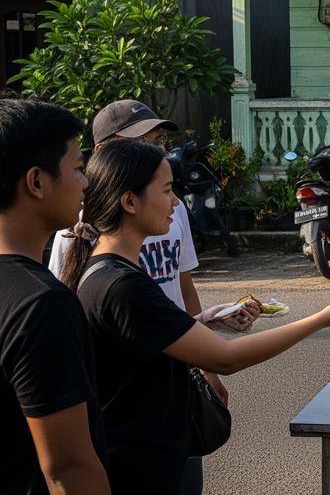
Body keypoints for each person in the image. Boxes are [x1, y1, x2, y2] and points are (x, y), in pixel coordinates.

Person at [58, 139, 330, 494]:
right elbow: (225, 358)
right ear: (129, 201)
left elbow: (140, 342)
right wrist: (323, 318)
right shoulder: (122, 285)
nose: (176, 202)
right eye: (167, 190)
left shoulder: (107, 271)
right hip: (138, 466)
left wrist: (200, 321)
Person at [47, 100, 258, 494]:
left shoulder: (168, 210)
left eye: (159, 141)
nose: (158, 150)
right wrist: (327, 314)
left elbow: (183, 285)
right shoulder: (79, 238)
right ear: (109, 152)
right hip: (130, 410)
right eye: (145, 141)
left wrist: (203, 353)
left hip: (175, 383)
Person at [0, 99, 109, 495]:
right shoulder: (41, 304)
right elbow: (68, 468)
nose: (86, 183)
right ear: (36, 181)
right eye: (78, 168)